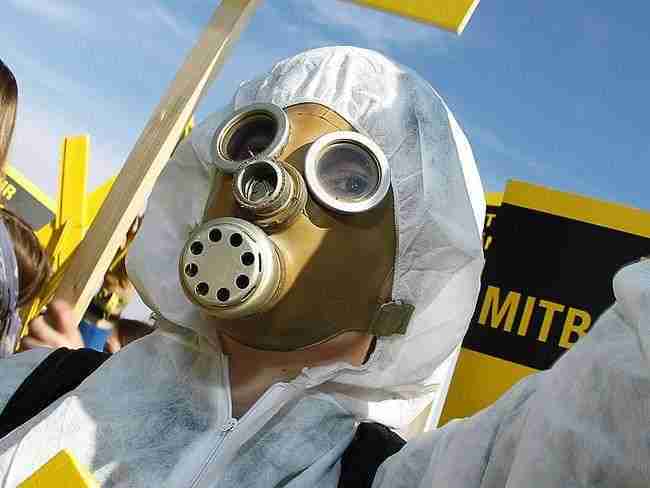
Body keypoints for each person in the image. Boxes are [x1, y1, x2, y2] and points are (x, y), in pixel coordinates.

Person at [0, 47, 647, 488]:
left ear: (408, 276)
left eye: (349, 179)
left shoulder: (397, 476)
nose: (263, 186)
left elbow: (617, 408)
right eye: (254, 144)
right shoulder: (38, 389)